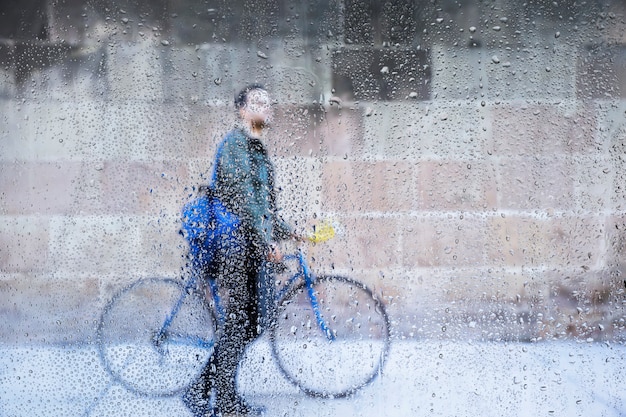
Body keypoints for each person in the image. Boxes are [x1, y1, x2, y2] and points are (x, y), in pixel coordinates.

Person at [181, 84, 293, 417]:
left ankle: (200, 390)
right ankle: (226, 404)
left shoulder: (258, 149)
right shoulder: (234, 145)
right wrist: (267, 241)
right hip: (234, 244)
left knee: (255, 321)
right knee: (239, 320)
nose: (264, 106)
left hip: (249, 243)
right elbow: (244, 201)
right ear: (241, 110)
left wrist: (291, 232)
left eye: (268, 103)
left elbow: (263, 208)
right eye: (256, 101)